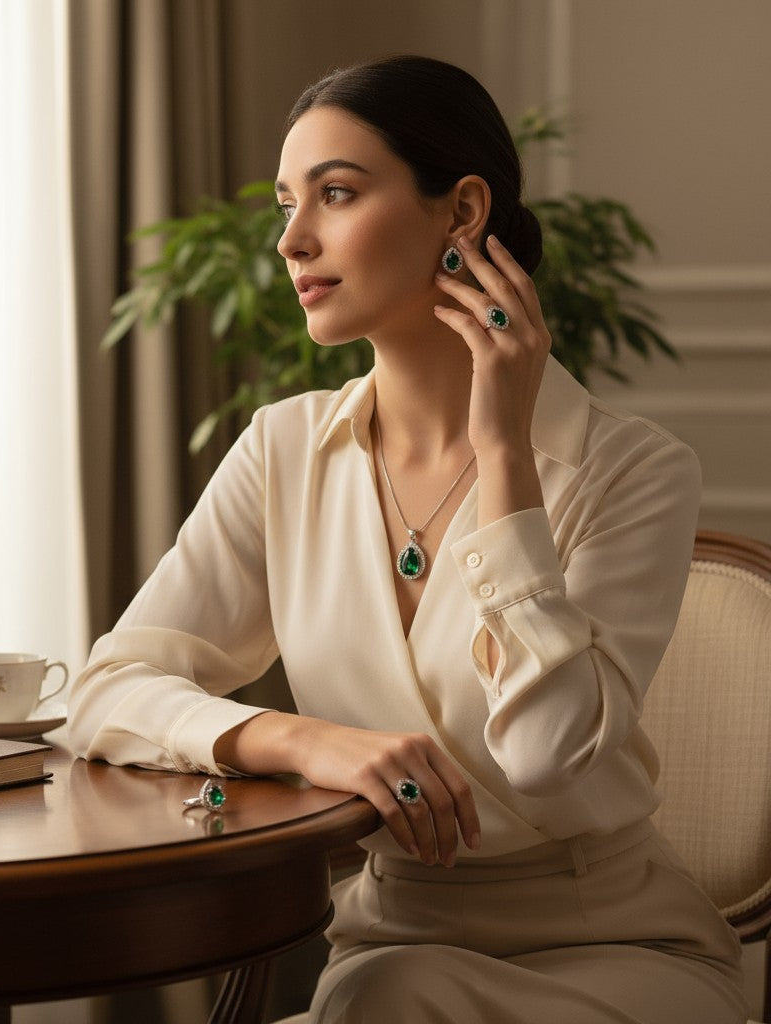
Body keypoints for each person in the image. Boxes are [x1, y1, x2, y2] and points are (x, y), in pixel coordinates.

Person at [68, 55, 747, 1023]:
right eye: (283, 206)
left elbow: (550, 753)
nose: (292, 240)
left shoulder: (634, 471)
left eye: (335, 195)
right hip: (390, 940)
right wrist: (307, 742)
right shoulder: (285, 450)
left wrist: (503, 451)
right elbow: (104, 690)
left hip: (615, 950)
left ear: (461, 212)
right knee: (383, 995)